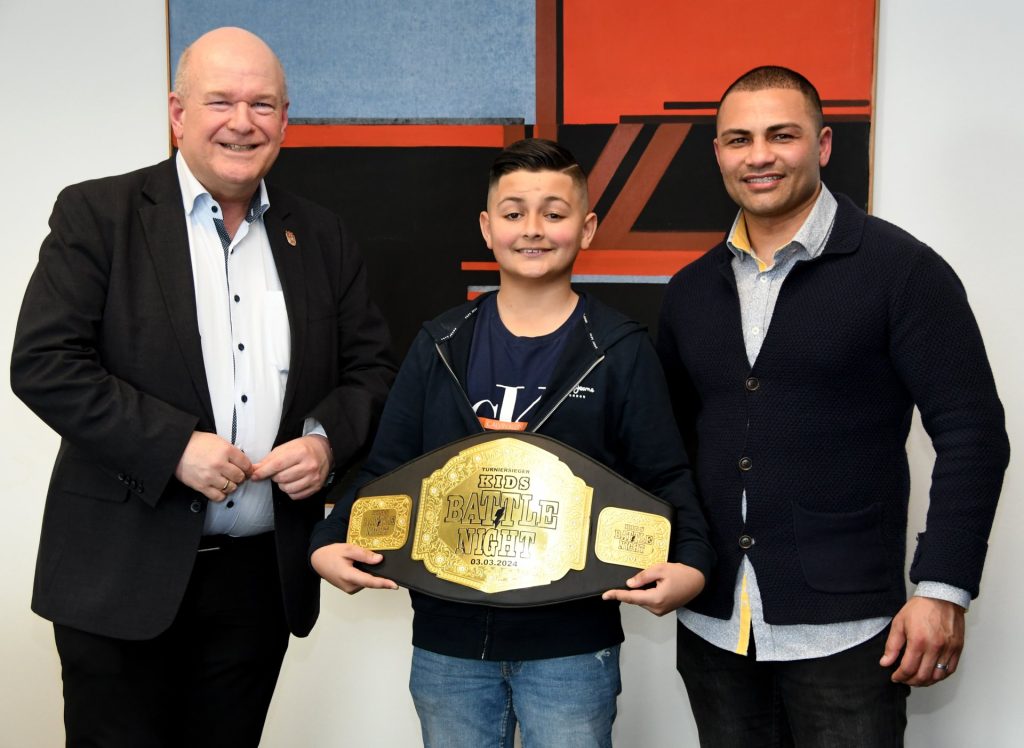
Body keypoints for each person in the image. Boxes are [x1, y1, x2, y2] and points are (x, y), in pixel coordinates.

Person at [10, 27, 396, 747]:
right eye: (220, 101)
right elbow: (44, 362)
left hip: (256, 582)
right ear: (177, 113)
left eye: (262, 104)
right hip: (119, 573)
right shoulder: (100, 216)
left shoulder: (322, 236)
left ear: (285, 119)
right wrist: (173, 448)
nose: (242, 122)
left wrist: (325, 441)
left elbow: (371, 370)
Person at [310, 138, 713, 747]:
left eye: (554, 212)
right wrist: (327, 541)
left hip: (573, 648)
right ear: (486, 227)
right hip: (448, 646)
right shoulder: (439, 342)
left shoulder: (620, 348)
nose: (533, 229)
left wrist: (692, 564)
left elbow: (665, 476)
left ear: (588, 227)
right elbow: (389, 468)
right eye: (513, 211)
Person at [657, 65, 1010, 746]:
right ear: (718, 154)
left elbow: (973, 435)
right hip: (714, 628)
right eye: (738, 140)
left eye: (780, 135)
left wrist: (942, 588)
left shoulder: (901, 271)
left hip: (851, 634)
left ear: (822, 145)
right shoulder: (689, 289)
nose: (758, 156)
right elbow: (667, 444)